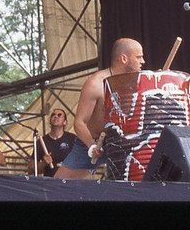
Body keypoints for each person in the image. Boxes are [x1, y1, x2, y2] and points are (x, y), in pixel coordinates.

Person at [55, 37, 145, 179]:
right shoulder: (96, 84)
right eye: (139, 57)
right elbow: (79, 122)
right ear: (124, 58)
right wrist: (91, 146)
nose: (143, 62)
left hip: (123, 143)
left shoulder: (138, 83)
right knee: (59, 185)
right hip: (93, 142)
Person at [29, 108, 77, 177]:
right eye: (53, 115)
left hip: (68, 183)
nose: (56, 116)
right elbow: (31, 169)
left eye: (59, 115)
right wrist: (43, 163)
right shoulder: (41, 142)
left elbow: (82, 162)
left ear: (65, 122)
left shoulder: (72, 139)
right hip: (49, 184)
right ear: (50, 121)